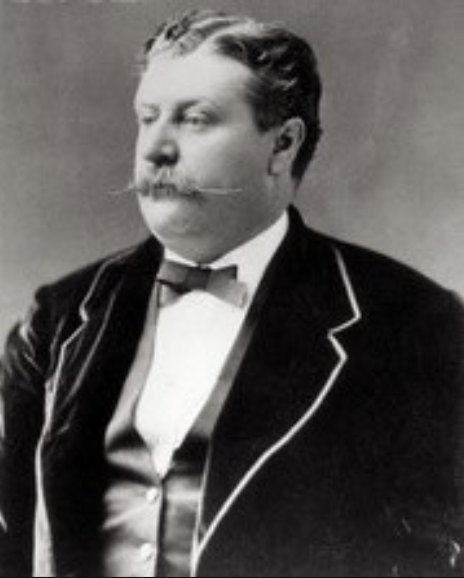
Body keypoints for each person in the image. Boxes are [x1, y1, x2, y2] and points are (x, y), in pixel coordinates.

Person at [0, 9, 463, 578]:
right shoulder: (57, 320)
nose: (155, 148)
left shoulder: (413, 325)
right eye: (148, 117)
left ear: (283, 145)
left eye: (195, 119)